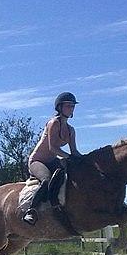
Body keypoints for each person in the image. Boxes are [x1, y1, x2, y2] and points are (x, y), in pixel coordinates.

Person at [22, 92, 83, 225]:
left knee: (69, 177)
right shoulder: (53, 123)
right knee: (46, 179)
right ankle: (31, 211)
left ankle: (59, 207)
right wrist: (69, 157)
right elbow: (52, 148)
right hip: (37, 161)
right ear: (60, 107)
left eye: (72, 106)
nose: (71, 109)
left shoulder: (71, 130)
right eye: (68, 106)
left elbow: (75, 151)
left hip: (52, 161)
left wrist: (85, 160)